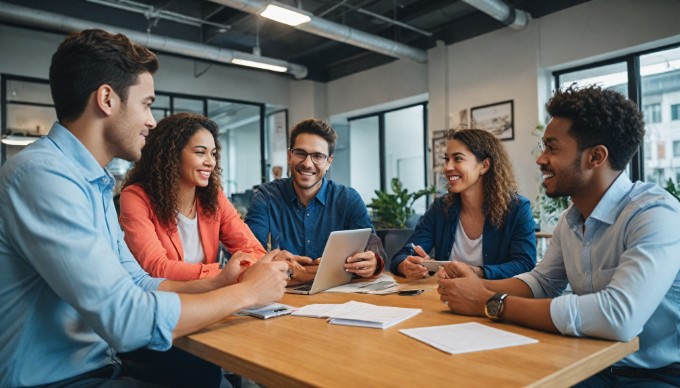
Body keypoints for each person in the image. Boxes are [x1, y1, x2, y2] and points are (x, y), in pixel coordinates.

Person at [0, 29, 289, 387]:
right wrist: (245, 293)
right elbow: (125, 318)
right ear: (107, 99)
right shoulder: (42, 175)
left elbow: (136, 282)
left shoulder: (92, 181)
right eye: (147, 104)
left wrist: (220, 280)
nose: (151, 121)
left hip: (102, 369)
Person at [438, 85, 680, 387]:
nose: (540, 159)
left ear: (595, 157)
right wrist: (475, 284)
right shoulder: (571, 218)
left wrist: (489, 301)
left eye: (552, 148)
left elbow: (618, 316)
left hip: (654, 374)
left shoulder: (655, 214)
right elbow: (543, 282)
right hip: (587, 361)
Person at [120, 112, 266, 281]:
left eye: (213, 154)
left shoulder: (214, 198)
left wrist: (230, 273)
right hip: (161, 300)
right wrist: (223, 274)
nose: (210, 162)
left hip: (207, 298)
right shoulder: (136, 198)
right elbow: (157, 267)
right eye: (200, 153)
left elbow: (254, 251)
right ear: (172, 155)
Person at [245, 118, 386, 283]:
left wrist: (373, 260)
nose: (307, 164)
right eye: (300, 153)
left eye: (318, 156)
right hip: (284, 295)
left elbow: (373, 244)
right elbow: (249, 252)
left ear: (329, 162)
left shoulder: (348, 199)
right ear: (290, 156)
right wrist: (273, 263)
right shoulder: (267, 196)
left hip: (337, 294)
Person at [391, 128, 536, 280]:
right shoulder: (440, 208)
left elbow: (524, 264)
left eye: (458, 159)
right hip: (445, 297)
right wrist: (406, 265)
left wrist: (476, 271)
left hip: (494, 299)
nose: (447, 167)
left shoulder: (517, 208)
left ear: (484, 166)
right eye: (446, 159)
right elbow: (403, 255)